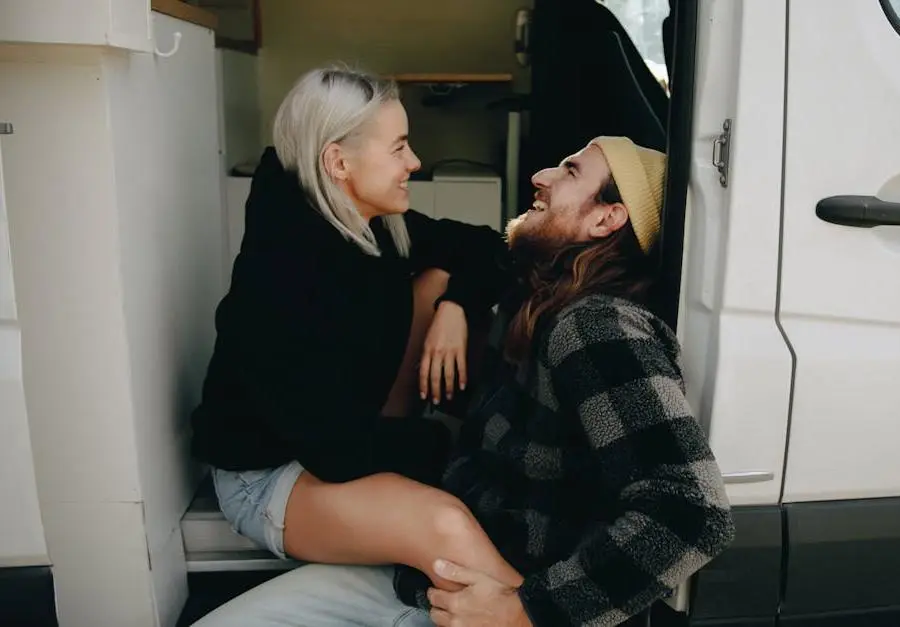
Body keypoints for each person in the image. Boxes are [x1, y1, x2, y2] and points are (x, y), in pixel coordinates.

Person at [191, 136, 735, 627]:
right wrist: (454, 303)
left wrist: (528, 611)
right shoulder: (543, 299)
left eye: (569, 172)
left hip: (479, 594)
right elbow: (468, 254)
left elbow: (690, 509)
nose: (541, 176)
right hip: (423, 568)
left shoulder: (595, 327)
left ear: (606, 219)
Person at [189, 66, 525, 591]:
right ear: (337, 161)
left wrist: (456, 308)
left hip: (343, 424)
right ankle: (530, 613)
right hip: (273, 475)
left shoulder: (365, 219)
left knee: (440, 276)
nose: (414, 163)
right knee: (447, 524)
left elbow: (486, 246)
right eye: (399, 148)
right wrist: (454, 446)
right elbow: (337, 455)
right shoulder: (282, 280)